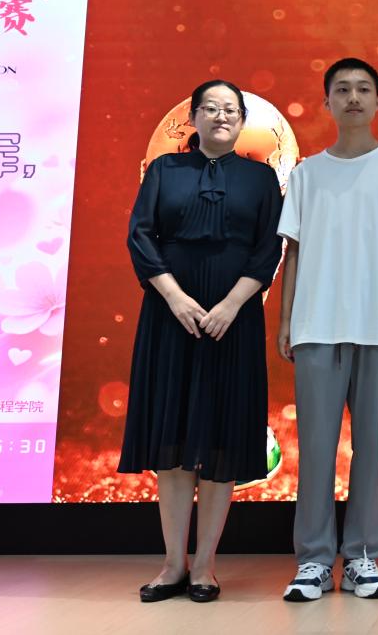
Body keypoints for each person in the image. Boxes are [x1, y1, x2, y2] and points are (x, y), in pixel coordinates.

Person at [120, 79, 283, 603]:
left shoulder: (261, 178)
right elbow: (140, 236)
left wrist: (232, 305)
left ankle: (205, 567)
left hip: (232, 322)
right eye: (210, 108)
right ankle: (173, 564)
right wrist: (174, 298)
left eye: (230, 109)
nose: (221, 116)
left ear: (242, 120)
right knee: (171, 444)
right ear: (192, 117)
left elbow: (268, 248)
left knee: (220, 441)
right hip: (171, 317)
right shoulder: (165, 170)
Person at [276, 58, 378, 602]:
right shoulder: (306, 175)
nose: (354, 98)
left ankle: (363, 556)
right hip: (316, 324)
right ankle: (314, 560)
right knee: (316, 449)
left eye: (364, 89)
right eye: (342, 90)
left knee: (372, 448)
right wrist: (287, 320)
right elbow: (292, 253)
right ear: (327, 102)